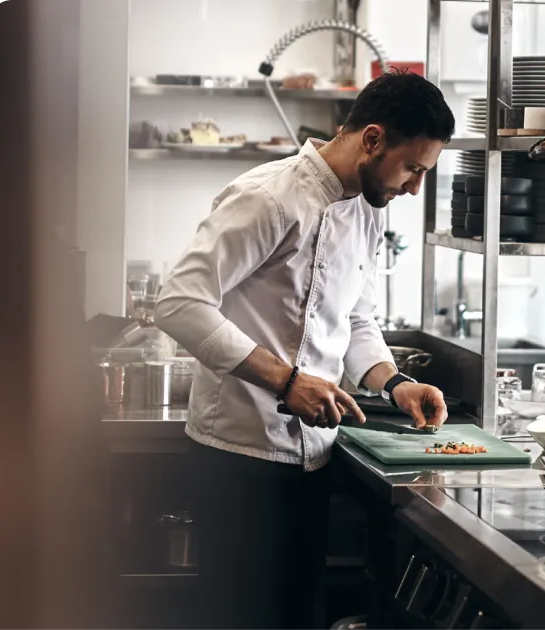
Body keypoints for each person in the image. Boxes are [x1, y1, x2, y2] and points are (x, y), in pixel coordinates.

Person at [154, 70, 456, 630]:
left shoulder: (367, 210)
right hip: (237, 456)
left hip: (314, 458)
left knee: (294, 616)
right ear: (372, 140)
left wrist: (395, 382)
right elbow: (179, 303)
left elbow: (356, 318)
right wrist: (287, 381)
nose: (416, 188)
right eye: (413, 169)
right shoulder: (267, 198)